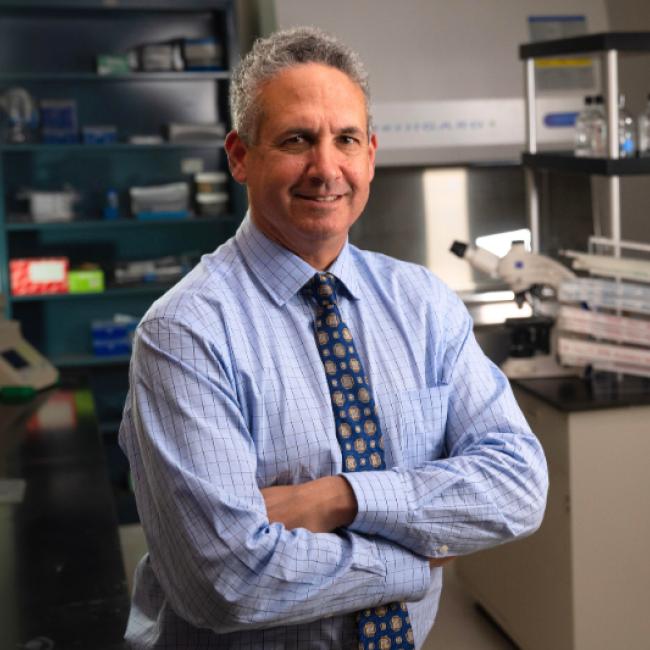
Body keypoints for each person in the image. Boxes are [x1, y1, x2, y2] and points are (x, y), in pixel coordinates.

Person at [119, 26, 548, 649]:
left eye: (345, 139)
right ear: (240, 156)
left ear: (370, 153)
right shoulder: (185, 332)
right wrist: (414, 562)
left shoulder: (422, 303)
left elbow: (518, 486)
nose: (326, 168)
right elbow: (226, 581)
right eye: (297, 140)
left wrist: (341, 499)